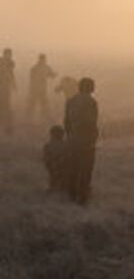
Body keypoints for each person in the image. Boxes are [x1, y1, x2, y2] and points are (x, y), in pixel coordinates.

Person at [64, 77, 99, 205]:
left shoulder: (70, 101)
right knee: (85, 170)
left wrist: (70, 136)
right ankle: (83, 197)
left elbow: (66, 122)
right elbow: (91, 122)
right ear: (89, 87)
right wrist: (93, 136)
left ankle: (71, 194)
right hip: (86, 141)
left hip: (72, 139)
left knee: (73, 168)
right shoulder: (91, 102)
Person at [27, 53, 57, 122]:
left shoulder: (46, 67)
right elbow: (31, 79)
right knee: (32, 103)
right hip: (35, 89)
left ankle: (46, 117)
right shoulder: (34, 68)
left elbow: (51, 74)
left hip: (43, 89)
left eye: (44, 59)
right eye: (42, 59)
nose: (43, 61)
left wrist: (54, 74)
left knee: (44, 104)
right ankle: (29, 117)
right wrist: (31, 88)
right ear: (39, 59)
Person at [42, 125, 68, 192]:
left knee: (55, 177)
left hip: (56, 167)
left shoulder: (48, 146)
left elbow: (45, 158)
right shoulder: (65, 145)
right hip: (58, 167)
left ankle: (55, 187)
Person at [0, 47, 15, 136]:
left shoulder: (10, 63)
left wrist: (14, 84)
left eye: (10, 54)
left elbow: (11, 74)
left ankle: (7, 127)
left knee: (7, 107)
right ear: (4, 54)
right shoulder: (0, 62)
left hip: (6, 89)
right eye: (8, 54)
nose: (9, 56)